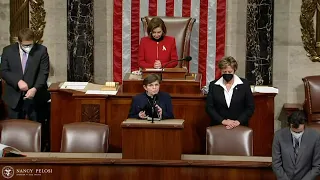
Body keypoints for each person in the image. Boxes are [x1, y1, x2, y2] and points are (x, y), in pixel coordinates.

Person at [0, 28, 50, 121]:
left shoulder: (42, 50)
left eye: (30, 44)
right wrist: (17, 81)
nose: (28, 47)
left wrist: (35, 89)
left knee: (36, 128)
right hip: (13, 97)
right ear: (19, 42)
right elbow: (3, 71)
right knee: (14, 129)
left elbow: (43, 72)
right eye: (25, 45)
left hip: (36, 97)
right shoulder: (8, 51)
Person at [205, 56, 255, 129]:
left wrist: (237, 122)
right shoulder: (213, 85)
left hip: (240, 126)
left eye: (229, 72)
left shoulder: (244, 84)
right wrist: (224, 121)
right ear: (220, 70)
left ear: (234, 70)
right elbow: (209, 108)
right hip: (219, 126)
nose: (227, 74)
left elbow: (250, 107)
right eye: (224, 72)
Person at [272, 111, 320, 180]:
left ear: (304, 124)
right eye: (294, 131)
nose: (297, 134)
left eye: (300, 132)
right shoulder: (278, 136)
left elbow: (317, 166)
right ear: (289, 125)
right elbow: (276, 164)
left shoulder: (315, 136)